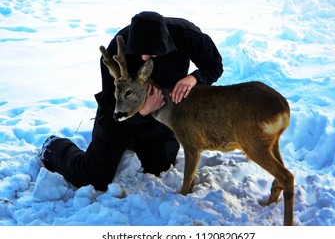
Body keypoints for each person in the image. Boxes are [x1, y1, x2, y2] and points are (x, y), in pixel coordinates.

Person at [39, 11, 223, 191]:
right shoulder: (115, 50)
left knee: (160, 169)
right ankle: (53, 146)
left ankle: (135, 144)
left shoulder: (186, 35)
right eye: (140, 52)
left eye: (151, 54)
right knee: (93, 178)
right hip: (120, 116)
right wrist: (142, 110)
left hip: (161, 116)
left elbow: (215, 65)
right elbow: (111, 102)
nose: (144, 58)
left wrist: (195, 78)